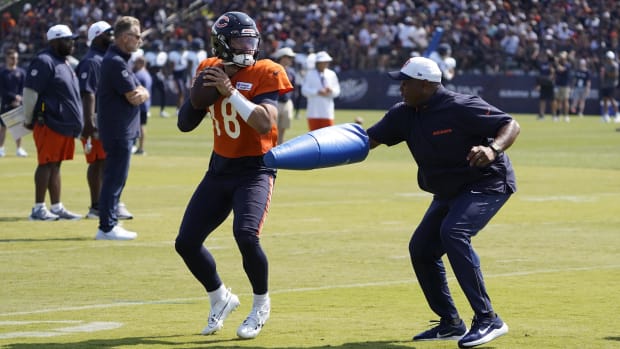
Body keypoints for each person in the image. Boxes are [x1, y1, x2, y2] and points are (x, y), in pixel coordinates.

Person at [366, 56, 520, 348]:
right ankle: (450, 323)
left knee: (454, 232)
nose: (400, 88)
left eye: (406, 82)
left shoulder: (461, 106)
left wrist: (493, 149)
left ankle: (489, 319)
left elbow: (510, 125)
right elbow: (368, 140)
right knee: (422, 249)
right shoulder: (403, 113)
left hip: (487, 182)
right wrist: (322, 147)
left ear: (425, 85)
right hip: (449, 190)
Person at [175, 11, 292, 339]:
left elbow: (264, 123)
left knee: (245, 235)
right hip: (220, 168)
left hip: (255, 169)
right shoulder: (208, 68)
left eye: (252, 39)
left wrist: (230, 92)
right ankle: (219, 297)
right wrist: (202, 93)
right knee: (186, 242)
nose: (249, 46)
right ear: (223, 44)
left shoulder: (267, 70)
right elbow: (185, 123)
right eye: (241, 39)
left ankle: (260, 304)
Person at [95, 16, 149, 240]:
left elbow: (139, 90)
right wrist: (143, 92)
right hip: (118, 129)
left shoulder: (119, 60)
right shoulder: (115, 61)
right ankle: (107, 226)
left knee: (116, 177)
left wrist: (142, 91)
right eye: (137, 36)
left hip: (120, 128)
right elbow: (134, 96)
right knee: (114, 178)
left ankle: (109, 223)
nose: (139, 40)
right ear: (125, 37)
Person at [23, 24, 83, 221]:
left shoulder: (64, 62)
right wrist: (28, 118)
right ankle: (38, 208)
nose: (72, 43)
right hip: (48, 121)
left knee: (55, 165)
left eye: (72, 39)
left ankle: (56, 206)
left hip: (63, 123)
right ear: (55, 41)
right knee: (46, 163)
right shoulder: (44, 61)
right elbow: (31, 92)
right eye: (67, 40)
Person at [76, 20, 133, 220]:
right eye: (108, 34)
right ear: (98, 36)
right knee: (99, 162)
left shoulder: (106, 57)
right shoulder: (93, 61)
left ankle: (108, 202)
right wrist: (89, 121)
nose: (112, 37)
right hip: (97, 118)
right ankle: (98, 205)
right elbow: (88, 93)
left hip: (107, 117)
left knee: (106, 162)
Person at [301, 50, 340, 130]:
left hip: (327, 112)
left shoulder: (331, 74)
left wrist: (331, 91)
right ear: (317, 63)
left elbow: (337, 91)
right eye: (323, 62)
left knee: (328, 137)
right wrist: (317, 92)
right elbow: (304, 90)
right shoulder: (310, 74)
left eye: (326, 62)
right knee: (314, 137)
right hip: (313, 112)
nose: (325, 64)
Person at [0, 47, 28, 157]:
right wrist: (13, 97)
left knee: (18, 127)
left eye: (16, 58)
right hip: (6, 103)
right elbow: (2, 90)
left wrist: (19, 98)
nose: (14, 60)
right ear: (7, 58)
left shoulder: (21, 72)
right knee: (3, 127)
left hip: (18, 104)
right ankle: (1, 148)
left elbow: (24, 87)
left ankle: (19, 149)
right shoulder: (2, 73)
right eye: (12, 58)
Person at [272, 47, 297, 144]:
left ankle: (280, 147)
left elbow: (293, 87)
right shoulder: (273, 70)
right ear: (281, 57)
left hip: (287, 102)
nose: (290, 59)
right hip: (275, 101)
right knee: (273, 129)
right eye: (288, 57)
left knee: (283, 128)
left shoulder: (291, 72)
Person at [144, 40, 169, 118]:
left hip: (159, 74)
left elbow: (164, 66)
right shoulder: (148, 54)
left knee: (164, 91)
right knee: (150, 92)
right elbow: (146, 66)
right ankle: (147, 110)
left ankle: (162, 110)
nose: (157, 51)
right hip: (150, 74)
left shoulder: (163, 54)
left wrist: (166, 75)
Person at [132, 55, 152, 155]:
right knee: (141, 126)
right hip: (145, 104)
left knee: (139, 126)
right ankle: (139, 147)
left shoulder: (139, 75)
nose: (134, 64)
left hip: (140, 104)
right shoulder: (147, 74)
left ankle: (139, 147)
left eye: (136, 62)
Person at [600, 50, 619, 123]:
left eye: (609, 58)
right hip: (605, 85)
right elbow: (603, 75)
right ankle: (606, 115)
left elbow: (615, 75)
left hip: (612, 85)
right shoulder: (605, 65)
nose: (608, 59)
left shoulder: (614, 65)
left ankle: (617, 114)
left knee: (612, 99)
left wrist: (607, 74)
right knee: (605, 100)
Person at [535, 50, 555, 120]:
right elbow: (539, 73)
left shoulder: (551, 63)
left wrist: (550, 54)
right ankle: (542, 115)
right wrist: (538, 84)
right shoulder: (541, 63)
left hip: (550, 83)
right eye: (544, 55)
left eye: (547, 55)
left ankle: (554, 115)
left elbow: (553, 70)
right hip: (543, 83)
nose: (545, 56)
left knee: (552, 100)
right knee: (542, 100)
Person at [553, 51, 571, 122]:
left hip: (565, 85)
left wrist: (556, 63)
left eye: (563, 57)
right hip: (558, 84)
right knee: (557, 100)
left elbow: (562, 69)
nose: (561, 58)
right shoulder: (557, 64)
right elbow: (554, 72)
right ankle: (556, 115)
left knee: (565, 100)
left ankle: (566, 116)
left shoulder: (568, 65)